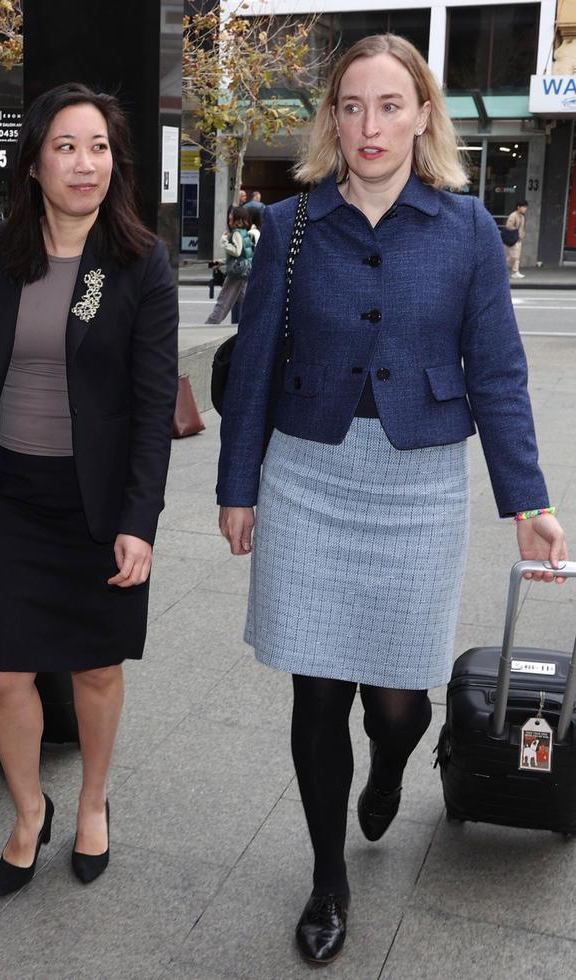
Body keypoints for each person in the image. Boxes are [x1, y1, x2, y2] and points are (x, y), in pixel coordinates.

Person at [216, 34, 567, 966]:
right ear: (333, 119)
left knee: (397, 704)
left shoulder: (465, 233)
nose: (370, 126)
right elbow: (253, 370)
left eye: (389, 105)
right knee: (318, 686)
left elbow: (496, 373)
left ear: (422, 116)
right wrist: (238, 485)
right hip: (309, 474)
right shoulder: (291, 230)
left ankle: (391, 769)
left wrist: (528, 500)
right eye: (352, 106)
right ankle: (329, 877)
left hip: (417, 485)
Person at [0, 82, 178, 897]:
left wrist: (140, 521)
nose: (85, 164)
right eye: (67, 147)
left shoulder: (138, 263)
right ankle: (30, 810)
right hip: (14, 494)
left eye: (100, 147)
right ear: (35, 163)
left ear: (118, 162)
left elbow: (152, 408)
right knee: (3, 672)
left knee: (95, 669)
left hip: (97, 504)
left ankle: (95, 805)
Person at [206, 206, 255, 324]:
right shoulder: (245, 233)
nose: (229, 220)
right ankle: (246, 325)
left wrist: (224, 241)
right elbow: (243, 254)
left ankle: (211, 324)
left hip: (236, 273)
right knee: (243, 301)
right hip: (245, 270)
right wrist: (222, 262)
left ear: (237, 219)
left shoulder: (236, 234)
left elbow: (236, 252)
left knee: (224, 301)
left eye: (231, 218)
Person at [505, 199, 528, 279]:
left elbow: (522, 228)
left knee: (517, 256)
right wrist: (516, 231)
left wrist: (522, 234)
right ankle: (502, 266)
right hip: (513, 238)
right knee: (513, 256)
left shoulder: (522, 216)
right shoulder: (513, 215)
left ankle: (515, 272)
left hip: (519, 239)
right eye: (524, 207)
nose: (525, 209)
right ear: (518, 207)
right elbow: (508, 226)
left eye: (526, 207)